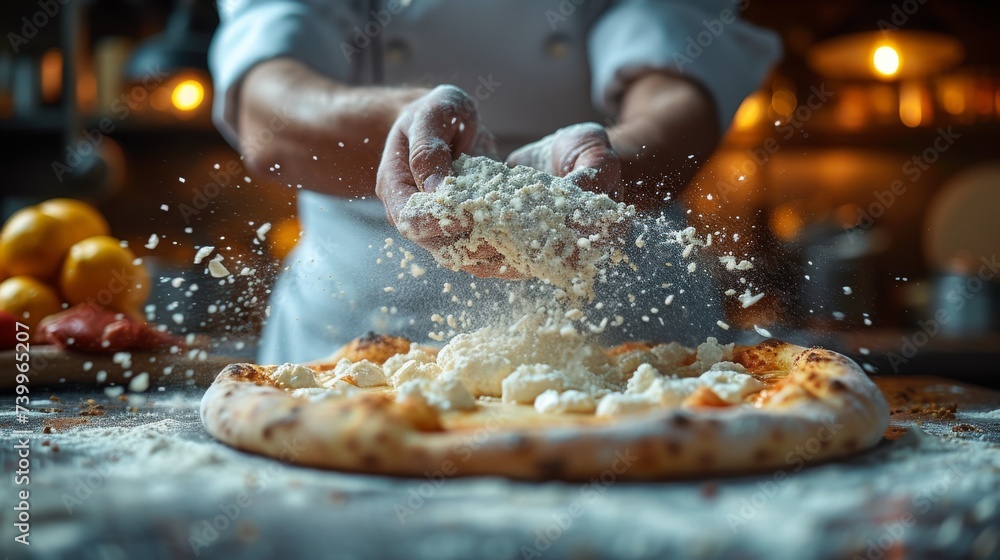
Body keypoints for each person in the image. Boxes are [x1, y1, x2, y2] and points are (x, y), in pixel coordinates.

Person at [209, 0, 782, 363]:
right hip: (359, 337)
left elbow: (679, 78)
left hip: (635, 330)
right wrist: (404, 132)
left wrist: (611, 160)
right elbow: (268, 111)